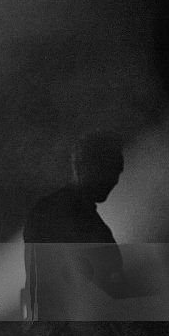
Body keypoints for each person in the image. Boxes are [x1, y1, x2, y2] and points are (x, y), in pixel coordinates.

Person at [23, 132, 124, 320]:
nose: (114, 180)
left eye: (117, 172)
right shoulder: (59, 212)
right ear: (85, 167)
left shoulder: (58, 210)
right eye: (111, 170)